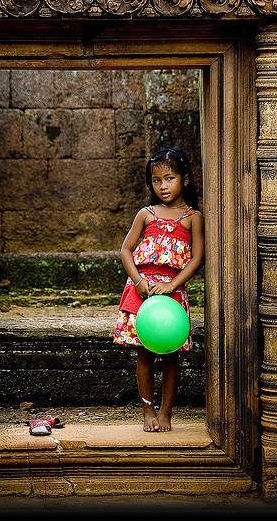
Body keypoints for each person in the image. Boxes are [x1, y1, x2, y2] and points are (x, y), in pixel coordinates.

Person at [114, 146, 204, 432]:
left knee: (171, 355)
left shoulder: (192, 217)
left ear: (185, 180)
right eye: (156, 180)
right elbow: (126, 250)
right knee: (143, 353)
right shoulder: (146, 214)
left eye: (169, 178)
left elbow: (197, 258)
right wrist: (140, 282)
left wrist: (172, 285)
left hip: (172, 295)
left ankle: (166, 412)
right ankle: (147, 411)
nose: (162, 186)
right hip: (142, 291)